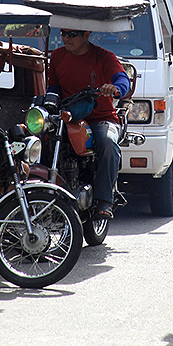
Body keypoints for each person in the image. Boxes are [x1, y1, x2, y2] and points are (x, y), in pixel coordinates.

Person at [47, 28, 130, 219]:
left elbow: (122, 79)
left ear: (86, 35)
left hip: (101, 118)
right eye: (63, 33)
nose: (66, 38)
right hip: (69, 117)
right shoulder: (58, 56)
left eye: (72, 34)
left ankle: (105, 200)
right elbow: (53, 87)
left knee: (108, 143)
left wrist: (116, 88)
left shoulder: (104, 57)